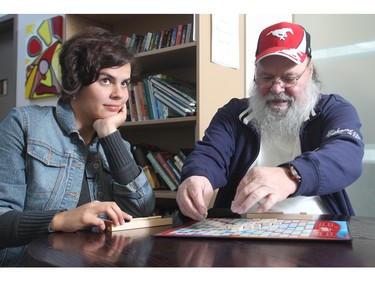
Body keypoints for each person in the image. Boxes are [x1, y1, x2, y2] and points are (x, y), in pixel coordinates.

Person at [176, 22, 364, 221]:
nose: (276, 88)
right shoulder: (233, 114)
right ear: (255, 73)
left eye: (289, 78)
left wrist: (291, 175)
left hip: (319, 229)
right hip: (240, 235)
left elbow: (346, 154)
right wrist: (198, 177)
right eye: (266, 77)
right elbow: (210, 153)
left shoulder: (334, 109)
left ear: (310, 71)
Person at [0, 27, 155, 266]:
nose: (120, 95)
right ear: (76, 80)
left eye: (124, 83)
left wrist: (109, 134)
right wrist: (61, 220)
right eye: (106, 80)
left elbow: (143, 210)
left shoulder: (115, 142)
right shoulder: (24, 125)